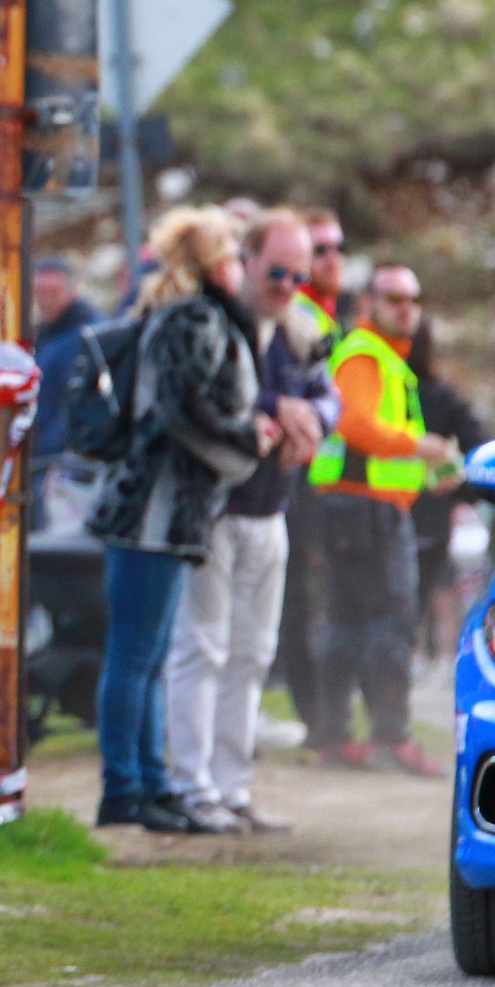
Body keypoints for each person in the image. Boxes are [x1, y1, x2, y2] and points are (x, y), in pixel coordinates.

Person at [86, 207, 275, 831]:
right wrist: (246, 435)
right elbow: (182, 409)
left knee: (147, 654)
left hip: (159, 512)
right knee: (137, 655)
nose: (240, 268)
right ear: (214, 263)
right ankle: (127, 788)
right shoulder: (192, 317)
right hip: (153, 512)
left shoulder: (181, 314)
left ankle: (148, 783)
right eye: (232, 256)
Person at [162, 209, 335, 834]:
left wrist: (311, 415)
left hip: (270, 509)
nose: (287, 284)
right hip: (214, 508)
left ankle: (232, 788)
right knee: (201, 648)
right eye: (276, 271)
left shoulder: (298, 327)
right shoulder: (217, 320)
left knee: (253, 653)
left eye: (298, 274)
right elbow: (198, 396)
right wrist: (277, 407)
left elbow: (328, 390)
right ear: (249, 260)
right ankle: (193, 783)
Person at [305, 265, 456, 775]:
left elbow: (371, 442)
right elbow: (357, 425)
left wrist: (425, 471)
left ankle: (335, 738)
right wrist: (420, 446)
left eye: (413, 299)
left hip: (356, 505)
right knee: (391, 624)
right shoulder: (368, 355)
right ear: (369, 304)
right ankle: (391, 736)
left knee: (347, 624)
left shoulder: (382, 359)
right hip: (368, 510)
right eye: (394, 298)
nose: (406, 308)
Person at [275, 210, 351, 736]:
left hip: (324, 485)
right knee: (300, 601)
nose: (330, 259)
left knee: (316, 602)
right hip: (297, 482)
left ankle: (324, 718)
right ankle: (315, 718)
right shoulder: (296, 313)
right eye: (319, 249)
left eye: (337, 247)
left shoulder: (327, 316)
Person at [406, 317, 490, 664]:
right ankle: (415, 655)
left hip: (429, 513)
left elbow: (476, 447)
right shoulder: (379, 387)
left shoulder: (440, 397)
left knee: (436, 586)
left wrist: (461, 494)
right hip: (390, 511)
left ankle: (439, 654)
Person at [28, 254, 102, 465]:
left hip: (60, 459)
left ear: (72, 291)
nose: (46, 300)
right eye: (40, 293)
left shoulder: (85, 334)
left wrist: (48, 450)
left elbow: (75, 403)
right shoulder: (46, 333)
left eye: (54, 293)